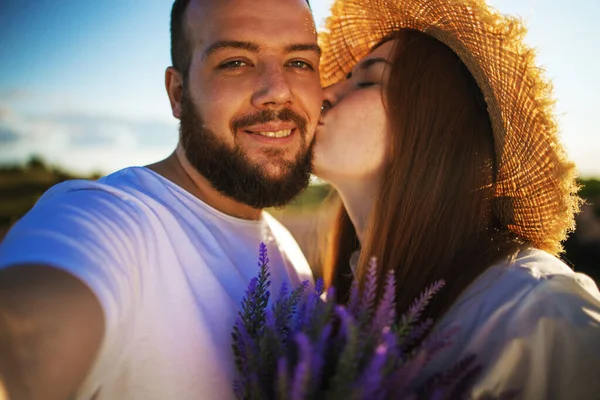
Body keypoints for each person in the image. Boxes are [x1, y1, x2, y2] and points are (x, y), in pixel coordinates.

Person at [0, 0, 321, 399]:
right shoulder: (111, 217)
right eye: (235, 62)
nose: (278, 92)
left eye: (300, 63)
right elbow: (29, 326)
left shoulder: (289, 257)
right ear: (178, 93)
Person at [314, 0, 600, 398]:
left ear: (433, 126)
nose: (322, 94)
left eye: (367, 82)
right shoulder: (338, 301)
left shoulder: (539, 310)